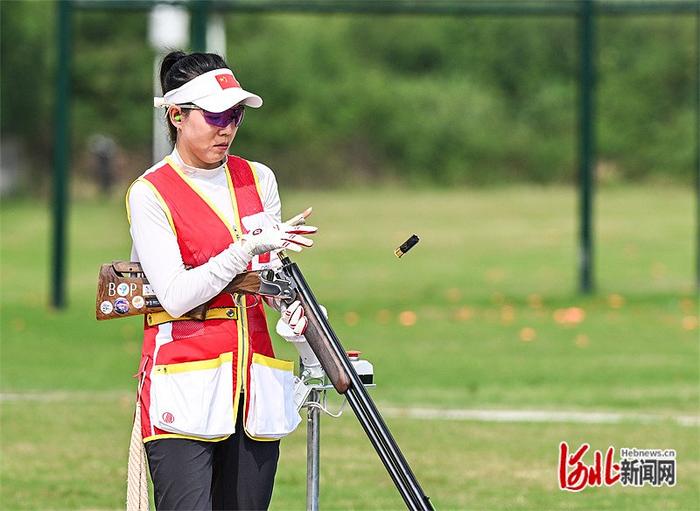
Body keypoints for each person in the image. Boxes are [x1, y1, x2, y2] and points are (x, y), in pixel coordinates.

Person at [126, 51, 316, 510]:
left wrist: (289, 305)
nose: (226, 127)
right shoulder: (150, 192)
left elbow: (267, 277)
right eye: (214, 115)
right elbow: (174, 296)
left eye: (234, 116)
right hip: (183, 388)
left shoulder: (259, 178)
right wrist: (244, 250)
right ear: (176, 115)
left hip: (254, 392)